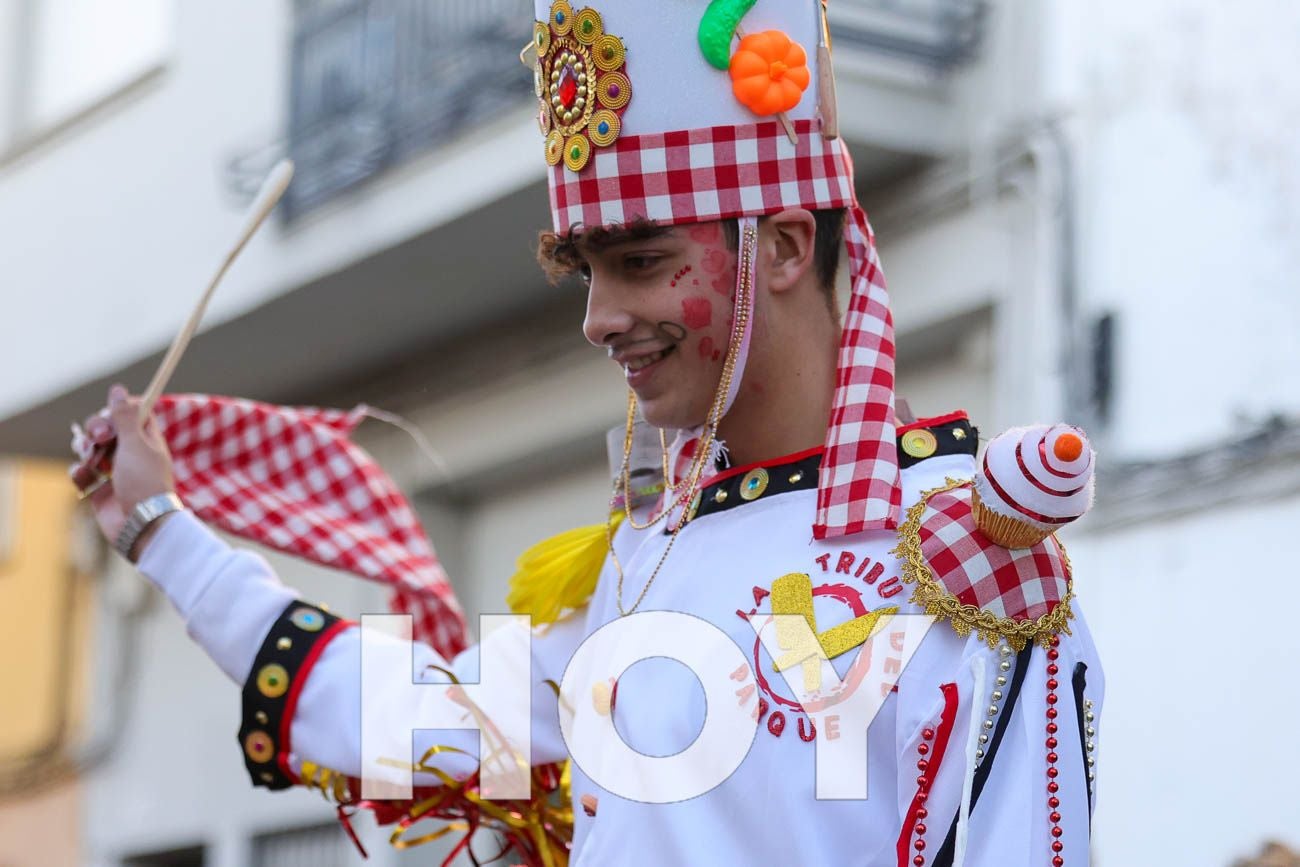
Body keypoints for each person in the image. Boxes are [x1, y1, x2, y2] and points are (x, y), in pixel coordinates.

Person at [77, 2, 1103, 864]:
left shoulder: (963, 555)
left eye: (641, 262)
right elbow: (412, 716)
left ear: (785, 245)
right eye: (588, 272)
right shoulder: (645, 559)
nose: (597, 317)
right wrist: (160, 529)